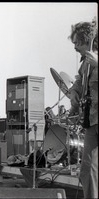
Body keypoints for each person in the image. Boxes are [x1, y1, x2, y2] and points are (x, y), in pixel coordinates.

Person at [68, 20, 98, 199]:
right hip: (92, 121)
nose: (75, 47)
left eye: (77, 43)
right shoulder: (86, 62)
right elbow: (79, 80)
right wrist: (73, 93)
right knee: (87, 170)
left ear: (88, 40)